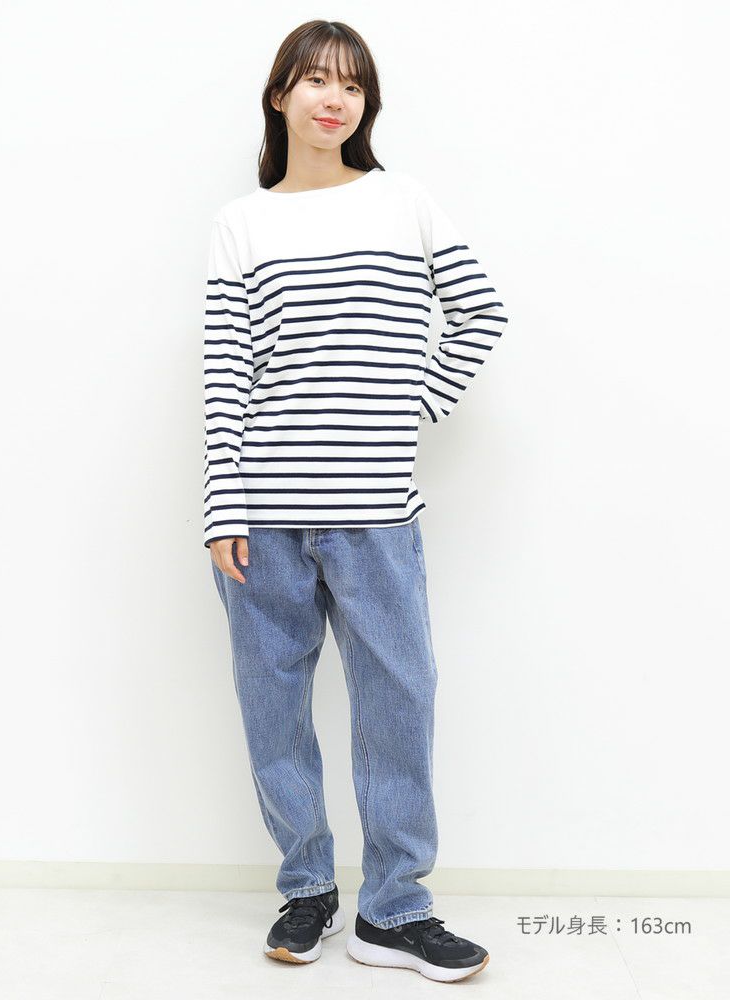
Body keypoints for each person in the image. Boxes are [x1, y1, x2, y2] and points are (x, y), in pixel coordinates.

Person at [202, 19, 507, 984]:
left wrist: (411, 404)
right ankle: (307, 887)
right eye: (314, 80)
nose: (334, 99)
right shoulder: (242, 223)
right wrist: (222, 507)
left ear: (366, 104)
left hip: (377, 510)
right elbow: (228, 374)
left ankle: (394, 909)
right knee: (273, 708)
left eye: (352, 85)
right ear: (280, 96)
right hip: (264, 513)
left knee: (399, 701)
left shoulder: (402, 202)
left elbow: (481, 311)